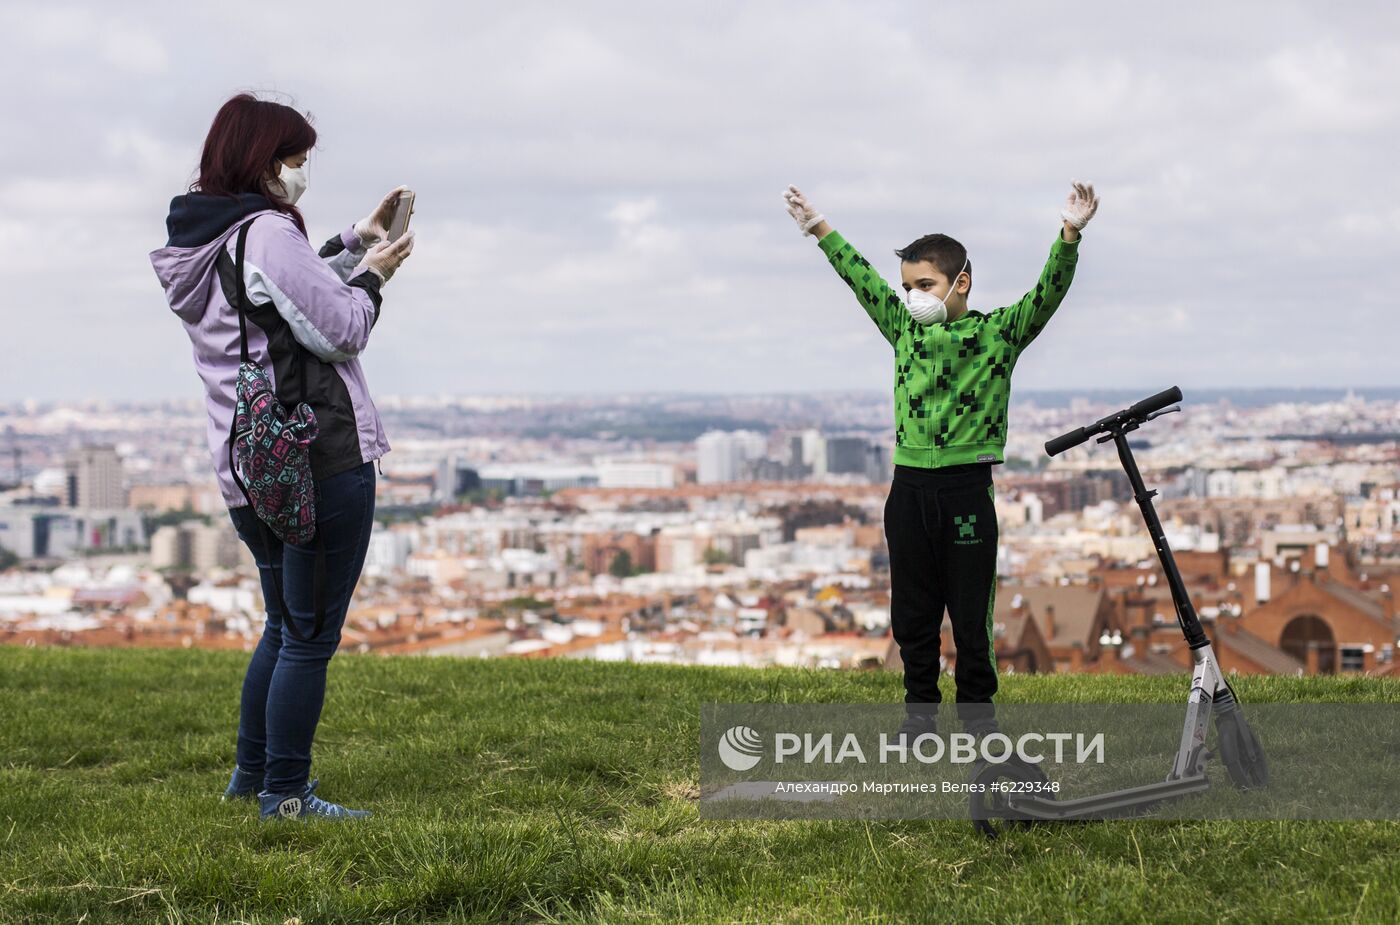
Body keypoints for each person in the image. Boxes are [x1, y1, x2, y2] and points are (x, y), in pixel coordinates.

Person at [148, 93, 416, 821]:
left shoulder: (203, 241)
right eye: (295, 163)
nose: (300, 176)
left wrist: (353, 240)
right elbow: (337, 327)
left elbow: (267, 294)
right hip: (314, 454)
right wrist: (377, 274)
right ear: (264, 163)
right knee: (309, 634)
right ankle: (287, 794)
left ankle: (250, 775)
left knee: (281, 622)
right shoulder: (265, 231)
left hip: (247, 465)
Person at [782, 181, 1099, 742]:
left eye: (924, 285)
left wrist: (1069, 235)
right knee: (912, 613)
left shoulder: (998, 333)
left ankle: (980, 725)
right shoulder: (903, 328)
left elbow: (1047, 293)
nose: (912, 297)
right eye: (908, 287)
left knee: (972, 616)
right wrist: (819, 229)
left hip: (964, 489)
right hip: (906, 490)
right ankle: (919, 717)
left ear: (961, 282)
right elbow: (860, 281)